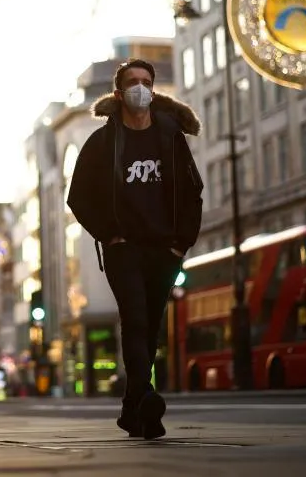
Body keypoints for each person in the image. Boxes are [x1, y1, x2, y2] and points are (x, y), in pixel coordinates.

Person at [67, 59, 203, 440]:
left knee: (152, 327)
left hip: (164, 250)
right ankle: (146, 401)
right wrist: (110, 234)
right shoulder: (103, 142)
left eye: (146, 82)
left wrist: (181, 243)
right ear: (119, 93)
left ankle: (132, 410)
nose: (140, 88)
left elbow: (194, 191)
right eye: (133, 83)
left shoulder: (170, 136)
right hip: (123, 248)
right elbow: (78, 197)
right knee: (136, 320)